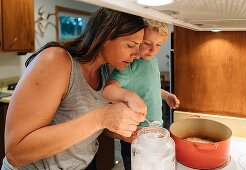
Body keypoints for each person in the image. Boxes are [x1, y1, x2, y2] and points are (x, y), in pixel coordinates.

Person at [3, 8, 147, 169]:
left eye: (139, 45)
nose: (137, 54)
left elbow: (85, 126)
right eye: (131, 45)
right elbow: (16, 153)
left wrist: (118, 129)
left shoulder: (106, 70)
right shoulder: (56, 60)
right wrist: (101, 117)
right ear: (106, 37)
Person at [102, 18, 179, 170]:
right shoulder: (130, 65)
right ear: (138, 39)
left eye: (158, 45)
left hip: (155, 129)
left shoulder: (153, 61)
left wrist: (166, 95)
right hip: (135, 134)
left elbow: (151, 87)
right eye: (148, 44)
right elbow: (108, 91)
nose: (153, 50)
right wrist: (130, 96)